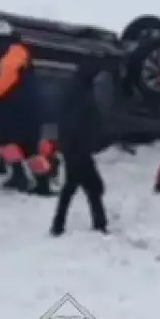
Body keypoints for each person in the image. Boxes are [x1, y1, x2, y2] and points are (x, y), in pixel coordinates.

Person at [0, 21, 53, 195]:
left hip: (20, 110)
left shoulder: (13, 54)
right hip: (13, 109)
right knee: (7, 142)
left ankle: (42, 184)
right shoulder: (8, 53)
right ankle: (19, 175)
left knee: (29, 148)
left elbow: (4, 82)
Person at [51, 61, 109, 236]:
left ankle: (60, 224)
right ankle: (97, 224)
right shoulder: (81, 94)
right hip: (78, 148)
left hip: (74, 147)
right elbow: (81, 122)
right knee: (86, 186)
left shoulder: (77, 89)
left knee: (80, 186)